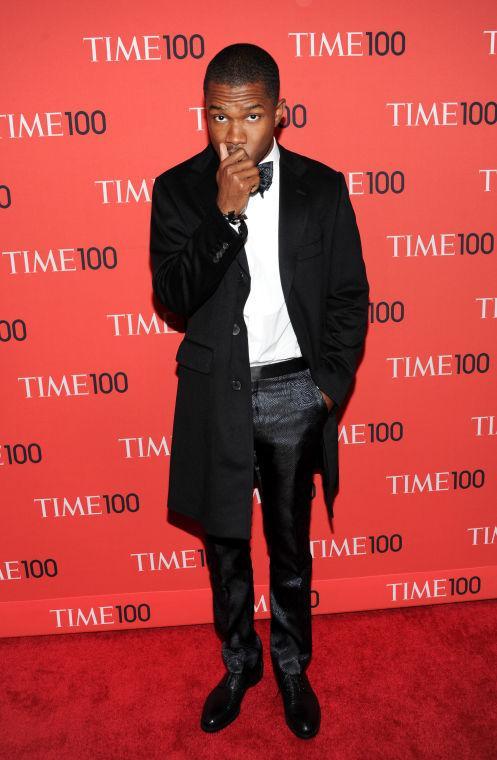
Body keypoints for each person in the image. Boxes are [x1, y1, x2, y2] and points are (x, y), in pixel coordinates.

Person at [149, 42, 369, 739]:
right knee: (225, 544)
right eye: (218, 115)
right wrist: (224, 213)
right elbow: (175, 299)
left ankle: (291, 665)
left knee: (289, 543)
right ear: (204, 114)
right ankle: (238, 662)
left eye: (248, 115)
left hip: (292, 393)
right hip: (216, 391)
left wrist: (325, 389)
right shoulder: (178, 189)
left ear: (278, 112)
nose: (232, 131)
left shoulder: (321, 187)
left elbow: (347, 296)